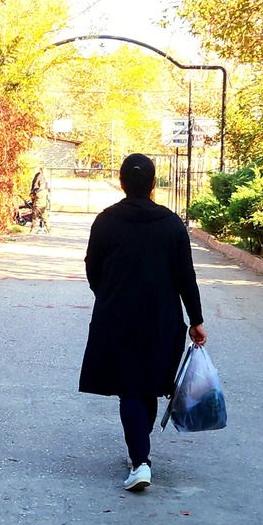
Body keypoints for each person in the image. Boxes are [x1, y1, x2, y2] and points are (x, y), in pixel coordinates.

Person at [78, 153, 205, 492]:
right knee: (145, 384)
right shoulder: (171, 224)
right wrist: (196, 319)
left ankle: (140, 460)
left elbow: (93, 269)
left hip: (116, 317)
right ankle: (140, 456)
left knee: (131, 387)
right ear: (152, 184)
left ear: (122, 182)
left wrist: (107, 294)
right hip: (162, 319)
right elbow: (185, 276)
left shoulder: (105, 221)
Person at [28, 166, 50, 232]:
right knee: (45, 218)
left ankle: (33, 229)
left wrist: (32, 194)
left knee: (35, 218)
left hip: (38, 206)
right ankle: (49, 229)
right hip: (44, 206)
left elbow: (34, 196)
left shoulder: (38, 192)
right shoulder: (45, 191)